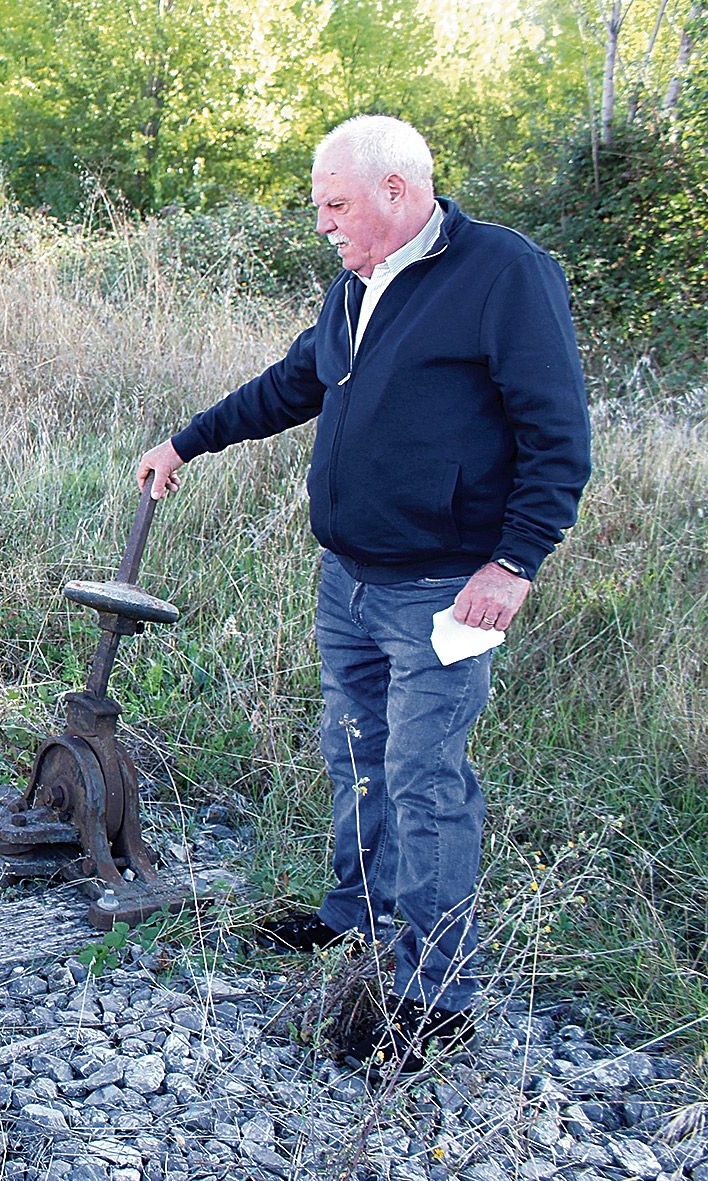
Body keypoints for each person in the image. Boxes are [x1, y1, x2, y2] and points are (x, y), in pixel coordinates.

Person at [135, 115, 591, 1071]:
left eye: (334, 204)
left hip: (445, 592)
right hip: (347, 578)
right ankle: (358, 919)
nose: (322, 223)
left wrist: (513, 566)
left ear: (396, 189)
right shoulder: (357, 286)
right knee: (355, 754)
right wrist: (187, 441)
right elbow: (288, 386)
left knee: (428, 782)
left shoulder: (502, 273)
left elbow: (558, 435)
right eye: (318, 205)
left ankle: (435, 993)